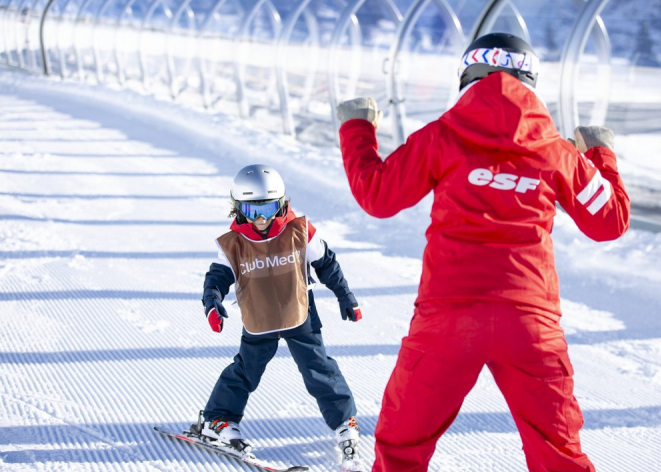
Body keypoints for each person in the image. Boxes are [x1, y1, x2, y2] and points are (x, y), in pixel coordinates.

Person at [335, 33, 630, 472]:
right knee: (558, 452)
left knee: (402, 446)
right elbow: (609, 221)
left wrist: (357, 127)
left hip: (448, 319)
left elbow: (378, 195)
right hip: (531, 324)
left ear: (467, 77)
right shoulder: (557, 152)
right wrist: (600, 155)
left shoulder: (443, 136)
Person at [192, 164, 365, 472]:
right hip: (259, 319)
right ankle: (217, 419)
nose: (261, 218)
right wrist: (212, 303)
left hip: (300, 315)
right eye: (252, 209)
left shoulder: (300, 230)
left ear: (282, 203)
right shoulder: (233, 244)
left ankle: (344, 421)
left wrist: (345, 295)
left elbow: (327, 263)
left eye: (269, 207)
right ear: (237, 207)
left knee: (320, 370)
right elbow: (216, 279)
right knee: (245, 372)